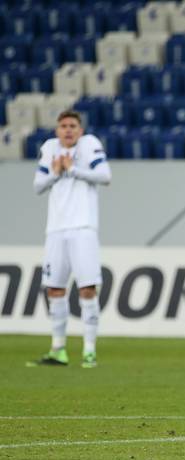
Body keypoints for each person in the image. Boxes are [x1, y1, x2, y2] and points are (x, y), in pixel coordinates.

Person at [28, 110, 111, 369]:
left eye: (73, 126)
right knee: (55, 289)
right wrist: (55, 173)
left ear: (80, 130)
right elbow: (38, 186)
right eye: (63, 126)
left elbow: (105, 176)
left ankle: (89, 351)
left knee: (87, 287)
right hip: (56, 229)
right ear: (56, 130)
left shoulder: (90, 145)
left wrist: (73, 169)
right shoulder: (50, 148)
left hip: (83, 228)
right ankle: (58, 350)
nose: (68, 130)